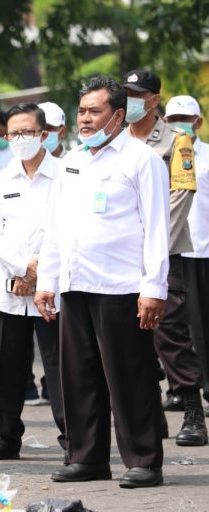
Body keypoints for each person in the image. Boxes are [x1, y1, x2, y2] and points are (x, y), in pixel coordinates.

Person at [35, 76, 169, 488]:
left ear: (118, 114)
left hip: (122, 287)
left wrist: (153, 289)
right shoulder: (72, 160)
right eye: (82, 111)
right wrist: (47, 280)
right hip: (76, 285)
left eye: (95, 111)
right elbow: (56, 226)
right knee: (79, 377)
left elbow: (157, 229)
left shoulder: (139, 160)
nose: (86, 119)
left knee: (129, 377)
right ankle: (87, 458)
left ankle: (144, 460)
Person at [0, 103, 66, 461]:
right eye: (14, 133)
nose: (21, 139)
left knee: (59, 366)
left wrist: (41, 268)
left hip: (52, 287)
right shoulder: (2, 178)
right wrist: (23, 265)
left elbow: (67, 227)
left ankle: (72, 437)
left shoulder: (66, 174)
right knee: (8, 366)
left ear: (44, 134)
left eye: (28, 132)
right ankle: (6, 437)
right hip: (10, 287)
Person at [123, 70, 206, 446]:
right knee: (130, 340)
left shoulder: (177, 140)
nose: (130, 101)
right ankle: (150, 418)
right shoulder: (114, 140)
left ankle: (192, 411)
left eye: (137, 95)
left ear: (154, 100)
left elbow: (180, 196)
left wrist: (150, 247)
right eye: (125, 94)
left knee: (171, 334)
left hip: (164, 253)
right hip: (118, 258)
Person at [178, 97, 209, 418]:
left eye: (185, 118)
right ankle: (180, 389)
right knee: (175, 328)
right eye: (173, 117)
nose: (179, 123)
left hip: (202, 248)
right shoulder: (159, 155)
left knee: (201, 325)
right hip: (172, 250)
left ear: (198, 122)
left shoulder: (207, 156)